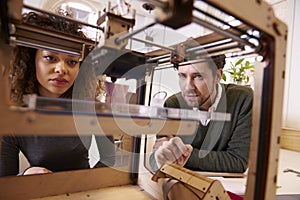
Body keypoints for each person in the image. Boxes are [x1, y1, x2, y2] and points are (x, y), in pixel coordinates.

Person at [0, 12, 115, 176]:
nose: (62, 69)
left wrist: (83, 183)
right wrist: (26, 176)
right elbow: (5, 181)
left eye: (72, 62)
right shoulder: (12, 113)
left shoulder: (88, 105)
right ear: (32, 59)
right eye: (50, 57)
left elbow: (110, 158)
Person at [151, 54, 253, 173]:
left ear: (218, 76)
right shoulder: (172, 104)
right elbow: (161, 158)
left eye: (198, 76)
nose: (188, 87)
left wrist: (185, 155)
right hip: (182, 182)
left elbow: (237, 161)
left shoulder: (243, 99)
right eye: (182, 76)